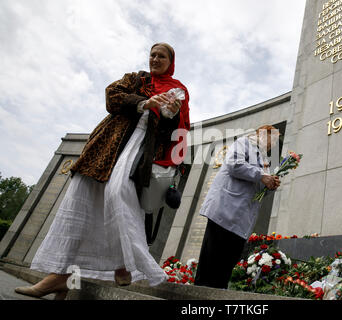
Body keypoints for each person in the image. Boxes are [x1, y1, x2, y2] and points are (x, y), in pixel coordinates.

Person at [15, 43, 190, 300]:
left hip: (140, 151)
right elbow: (112, 96)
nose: (155, 59)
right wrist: (145, 102)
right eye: (152, 54)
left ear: (171, 61)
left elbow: (177, 130)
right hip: (108, 145)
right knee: (82, 197)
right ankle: (59, 277)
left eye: (161, 56)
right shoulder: (136, 78)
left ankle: (123, 263)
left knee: (119, 192)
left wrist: (171, 115)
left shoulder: (178, 90)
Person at [194, 125, 281, 289]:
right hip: (225, 211)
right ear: (263, 134)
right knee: (211, 261)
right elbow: (234, 164)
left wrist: (270, 186)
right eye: (273, 140)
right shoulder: (244, 143)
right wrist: (262, 176)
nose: (273, 145)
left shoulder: (264, 161)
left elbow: (259, 189)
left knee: (226, 265)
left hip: (241, 219)